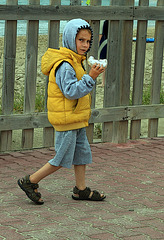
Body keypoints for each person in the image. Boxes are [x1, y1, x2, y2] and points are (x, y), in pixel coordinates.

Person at [17, 18, 106, 205]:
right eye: (81, 40)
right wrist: (91, 77)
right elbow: (71, 92)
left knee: (81, 154)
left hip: (76, 118)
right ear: (69, 38)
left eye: (88, 41)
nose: (85, 45)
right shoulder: (65, 65)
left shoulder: (76, 61)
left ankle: (80, 190)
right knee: (61, 157)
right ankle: (30, 181)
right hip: (66, 119)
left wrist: (89, 75)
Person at [99, 20, 108, 86]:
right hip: (109, 40)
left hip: (104, 41)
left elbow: (100, 34)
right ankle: (104, 82)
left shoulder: (103, 21)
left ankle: (103, 82)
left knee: (104, 60)